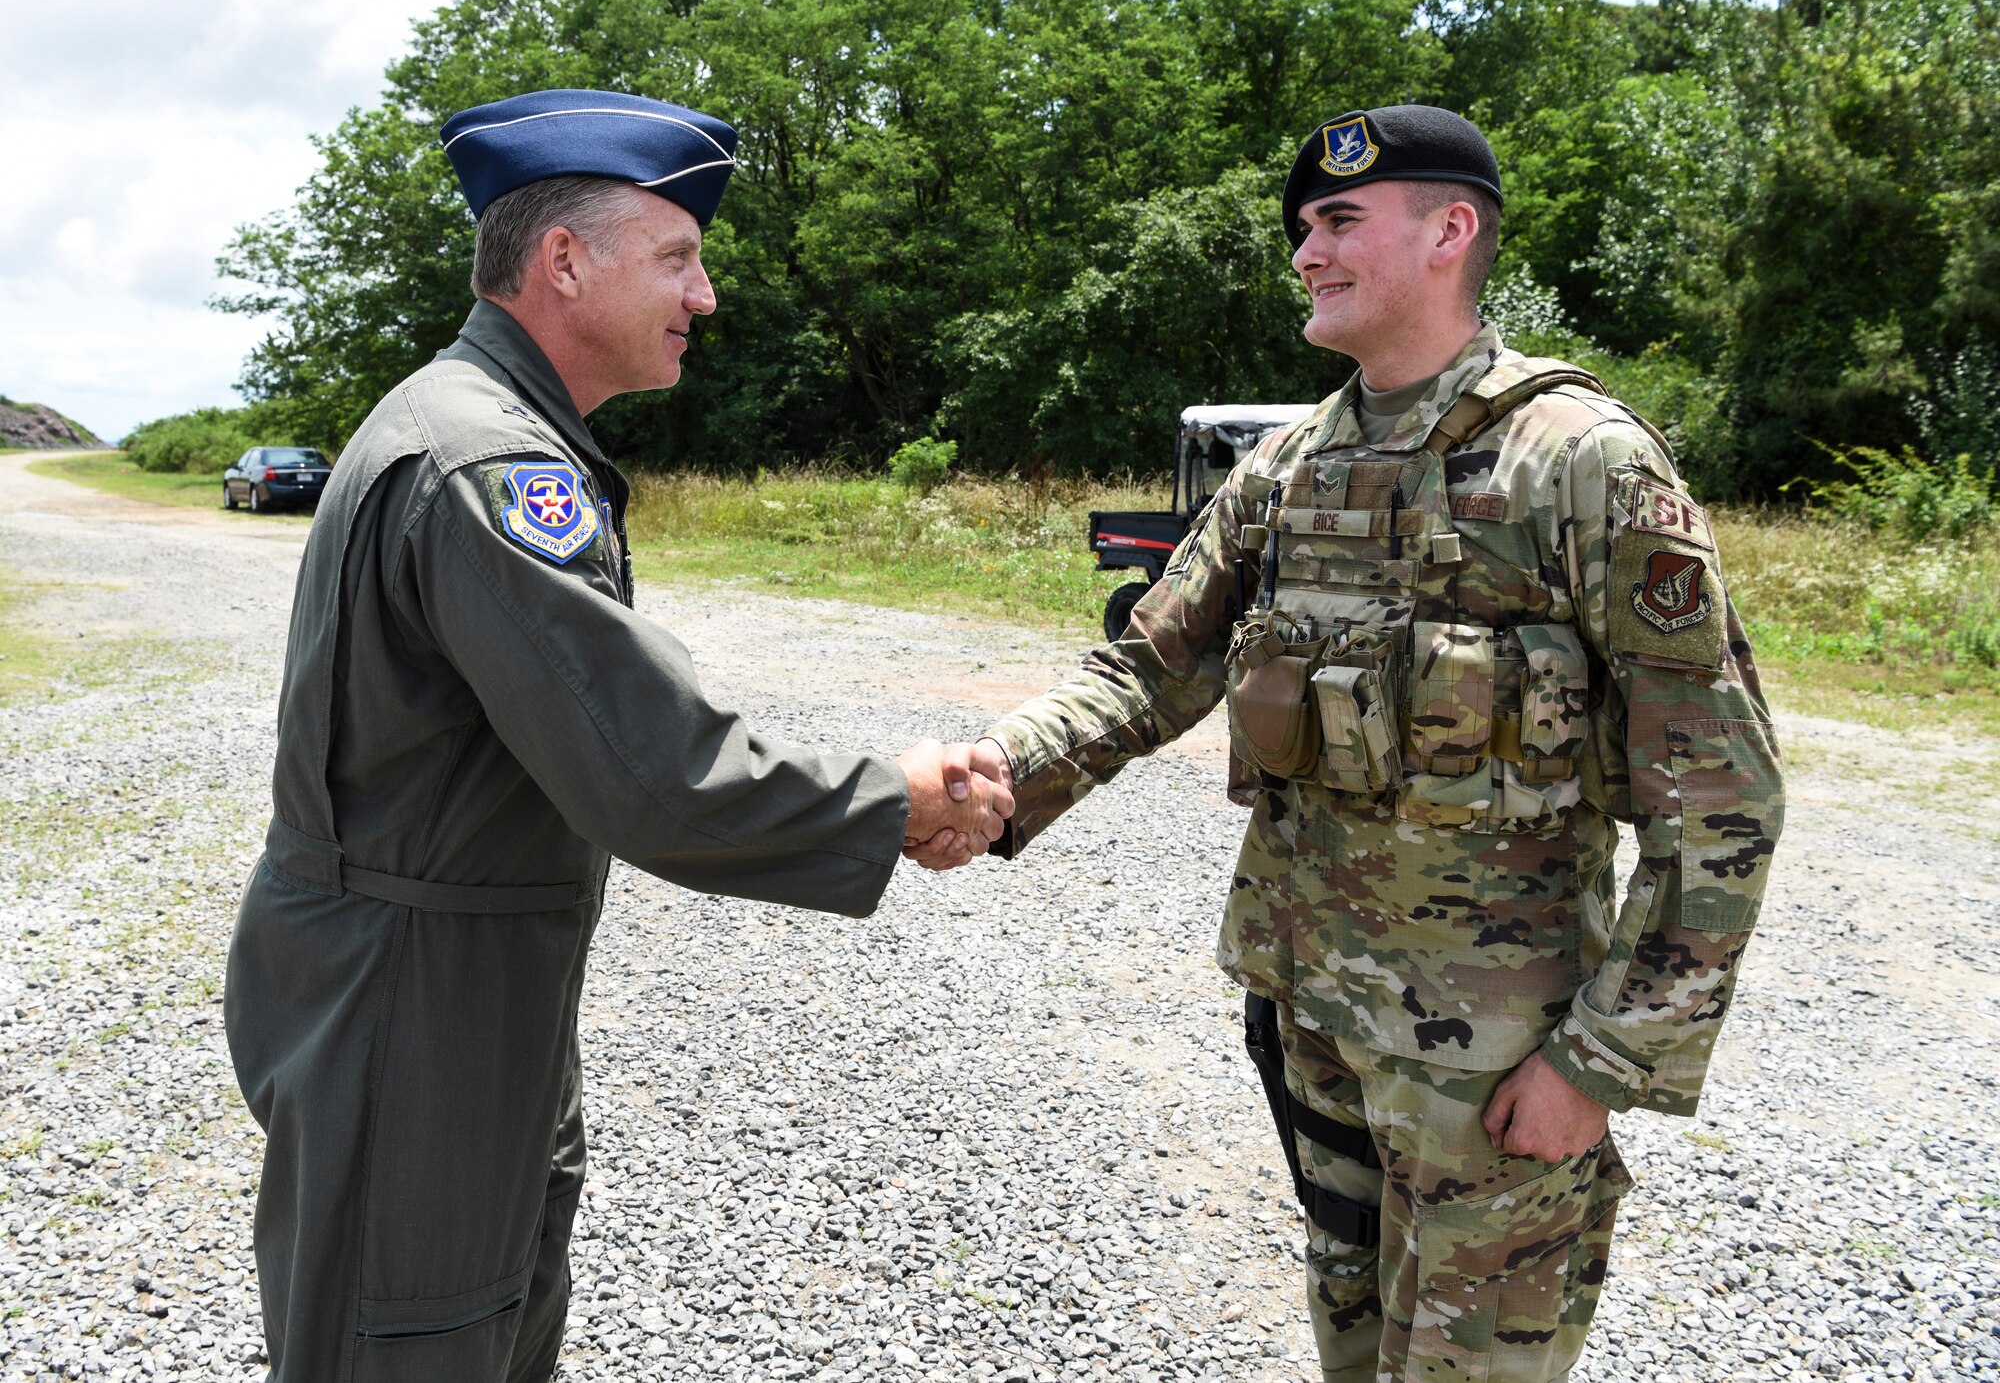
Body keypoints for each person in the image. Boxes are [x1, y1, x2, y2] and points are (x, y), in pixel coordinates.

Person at [940, 105, 1785, 1382]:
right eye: (1301, 229)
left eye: (1337, 222)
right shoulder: (1286, 468)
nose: (1305, 253)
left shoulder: (1582, 465)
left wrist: (1602, 1062)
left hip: (1493, 1057)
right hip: (1312, 1017)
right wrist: (990, 779)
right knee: (1351, 1348)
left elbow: (1717, 793)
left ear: (1450, 232)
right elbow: (1147, 670)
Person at [224, 88, 1010, 1383]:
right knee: (407, 1340)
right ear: (565, 260)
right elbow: (651, 770)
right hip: (416, 999)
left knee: (482, 1318)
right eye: (679, 257)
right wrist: (894, 798)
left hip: (463, 986)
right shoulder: (485, 466)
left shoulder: (486, 426)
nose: (704, 296)